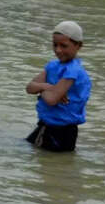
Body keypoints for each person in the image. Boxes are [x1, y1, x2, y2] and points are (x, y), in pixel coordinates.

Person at [24, 21, 91, 152]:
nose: (58, 50)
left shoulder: (73, 71)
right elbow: (29, 88)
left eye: (63, 46)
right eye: (55, 45)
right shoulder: (53, 66)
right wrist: (47, 86)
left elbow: (51, 99)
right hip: (46, 126)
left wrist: (42, 88)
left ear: (78, 45)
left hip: (62, 132)